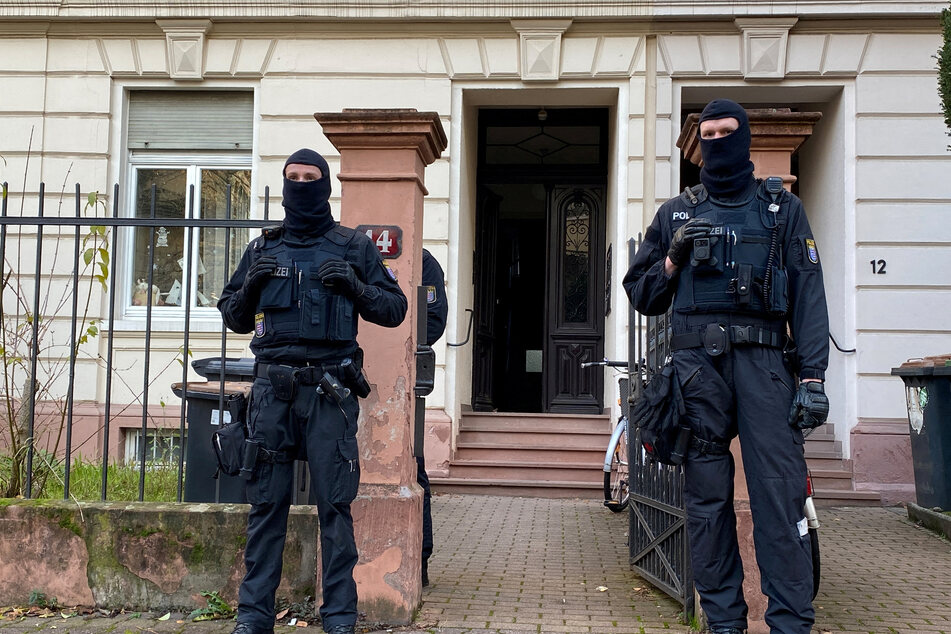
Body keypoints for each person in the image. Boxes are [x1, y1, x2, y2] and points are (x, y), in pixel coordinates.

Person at [623, 99, 830, 634]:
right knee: (708, 507)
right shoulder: (676, 212)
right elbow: (641, 294)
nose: (715, 140)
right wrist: (671, 258)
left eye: (726, 130)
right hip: (697, 375)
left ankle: (789, 623)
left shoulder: (782, 210)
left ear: (744, 136)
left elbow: (810, 294)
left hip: (765, 366)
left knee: (779, 502)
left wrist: (812, 378)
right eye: (707, 133)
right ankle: (724, 623)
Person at [218, 149, 407, 634]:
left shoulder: (352, 246)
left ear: (325, 184)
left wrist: (357, 288)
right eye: (292, 177)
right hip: (271, 395)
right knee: (266, 510)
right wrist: (248, 290)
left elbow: (395, 308)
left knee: (335, 511)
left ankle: (339, 617)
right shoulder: (263, 249)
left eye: (310, 177)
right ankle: (254, 617)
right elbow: (235, 317)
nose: (300, 185)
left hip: (329, 394)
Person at [417, 248, 448, 587]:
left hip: (402, 378)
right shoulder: (356, 249)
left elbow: (434, 319)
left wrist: (400, 338)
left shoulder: (422, 261)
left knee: (413, 466)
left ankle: (419, 557)